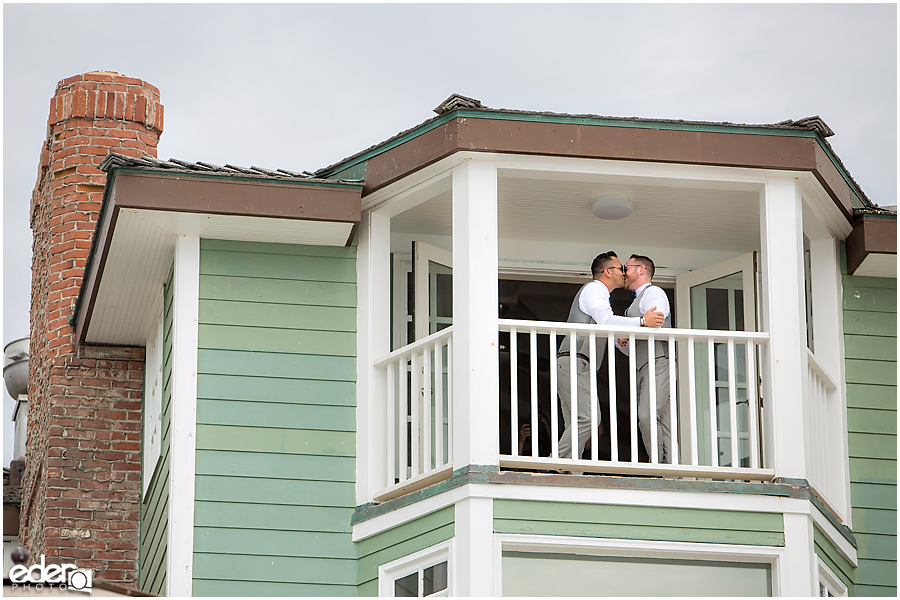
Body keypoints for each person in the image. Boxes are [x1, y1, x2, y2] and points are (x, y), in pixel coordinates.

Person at [556, 251, 665, 463]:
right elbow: (605, 320)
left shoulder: (599, 294)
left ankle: (569, 468)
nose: (624, 273)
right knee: (589, 419)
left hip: (573, 361)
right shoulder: (595, 288)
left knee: (577, 421)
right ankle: (557, 461)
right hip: (576, 360)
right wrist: (642, 322)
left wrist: (617, 340)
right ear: (607, 271)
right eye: (620, 268)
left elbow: (600, 324)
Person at [617, 254, 673, 463]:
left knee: (647, 416)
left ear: (641, 269)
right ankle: (670, 469)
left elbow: (656, 319)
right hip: (645, 364)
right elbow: (633, 345)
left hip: (657, 360)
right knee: (663, 419)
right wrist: (621, 339)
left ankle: (658, 465)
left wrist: (630, 330)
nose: (624, 272)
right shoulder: (636, 302)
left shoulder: (653, 292)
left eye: (627, 267)